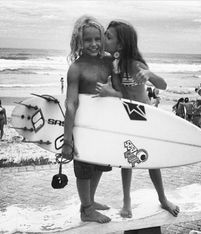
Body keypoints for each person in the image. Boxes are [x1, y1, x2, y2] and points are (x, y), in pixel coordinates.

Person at [97, 20, 179, 219]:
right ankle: (127, 202)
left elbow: (164, 85)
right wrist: (110, 90)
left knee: (153, 161)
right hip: (126, 116)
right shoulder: (114, 64)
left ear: (121, 45)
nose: (103, 39)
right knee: (128, 159)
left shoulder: (136, 65)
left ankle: (162, 198)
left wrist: (149, 73)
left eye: (108, 37)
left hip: (144, 117)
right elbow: (122, 94)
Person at [61, 15, 121, 224]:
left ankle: (90, 201)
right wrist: (67, 140)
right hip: (83, 127)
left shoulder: (109, 61)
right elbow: (71, 104)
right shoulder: (76, 68)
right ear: (79, 41)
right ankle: (86, 209)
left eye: (97, 39)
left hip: (103, 125)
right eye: (88, 40)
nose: (94, 44)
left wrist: (112, 92)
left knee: (99, 164)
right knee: (84, 169)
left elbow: (122, 90)